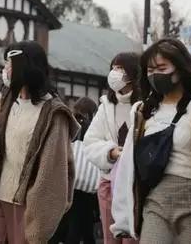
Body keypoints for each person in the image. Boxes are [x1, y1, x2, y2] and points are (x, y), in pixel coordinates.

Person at [111, 38, 191, 243]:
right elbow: (127, 166)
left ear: (179, 69)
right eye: (150, 70)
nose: (155, 74)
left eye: (162, 67)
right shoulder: (143, 112)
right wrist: (122, 218)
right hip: (155, 201)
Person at [0, 41, 79, 244]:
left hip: (26, 203)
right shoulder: (1, 99)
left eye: (10, 63)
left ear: (27, 66)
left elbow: (52, 170)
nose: (5, 69)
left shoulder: (53, 112)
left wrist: (39, 213)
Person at [83, 52, 139, 244]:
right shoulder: (105, 106)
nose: (114, 73)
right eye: (113, 68)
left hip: (135, 186)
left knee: (133, 237)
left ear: (133, 74)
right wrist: (112, 152)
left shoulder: (144, 106)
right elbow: (90, 141)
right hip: (108, 183)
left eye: (120, 69)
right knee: (110, 239)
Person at [50, 96, 101, 244]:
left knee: (67, 225)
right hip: (86, 188)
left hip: (68, 183)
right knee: (82, 227)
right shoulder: (94, 126)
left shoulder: (69, 124)